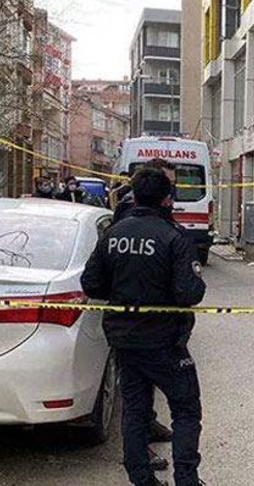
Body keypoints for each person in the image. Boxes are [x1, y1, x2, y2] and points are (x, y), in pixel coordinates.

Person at [81, 167, 206, 486]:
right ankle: (187, 479)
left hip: (124, 339)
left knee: (135, 410)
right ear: (167, 199)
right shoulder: (174, 236)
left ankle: (142, 478)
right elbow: (189, 293)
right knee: (186, 409)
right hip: (165, 342)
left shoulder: (114, 233)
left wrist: (123, 289)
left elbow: (91, 283)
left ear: (134, 196)